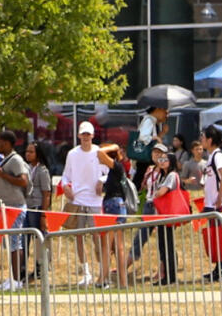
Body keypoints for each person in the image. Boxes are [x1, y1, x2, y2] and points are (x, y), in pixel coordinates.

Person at [61, 122, 108, 286]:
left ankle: (102, 271)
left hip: (95, 200)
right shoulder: (72, 154)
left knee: (97, 237)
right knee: (79, 237)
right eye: (83, 134)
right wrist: (66, 186)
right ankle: (86, 272)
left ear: (93, 135)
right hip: (78, 200)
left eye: (88, 134)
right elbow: (65, 176)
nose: (86, 137)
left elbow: (108, 172)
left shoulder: (99, 153)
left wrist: (101, 181)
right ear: (79, 136)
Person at [0, 130, 31, 291]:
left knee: (15, 243)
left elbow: (23, 181)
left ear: (6, 143)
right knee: (10, 244)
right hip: (5, 207)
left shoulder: (15, 160)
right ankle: (12, 277)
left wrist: (2, 175)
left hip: (15, 206)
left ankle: (16, 280)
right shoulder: (4, 160)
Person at [134, 150, 181, 286]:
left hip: (168, 214)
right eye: (160, 160)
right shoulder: (162, 176)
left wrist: (155, 194)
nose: (162, 162)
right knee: (163, 246)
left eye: (165, 160)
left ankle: (170, 276)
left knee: (168, 246)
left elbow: (161, 192)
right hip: (160, 214)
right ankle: (166, 275)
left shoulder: (171, 175)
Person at [197, 127, 222, 283]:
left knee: (218, 237)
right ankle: (218, 269)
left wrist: (219, 196)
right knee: (214, 238)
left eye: (203, 137)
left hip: (217, 203)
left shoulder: (218, 156)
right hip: (210, 203)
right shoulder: (211, 156)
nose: (201, 140)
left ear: (210, 140)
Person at [97, 144, 133, 289]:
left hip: (114, 206)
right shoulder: (117, 171)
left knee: (108, 245)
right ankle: (122, 283)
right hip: (118, 206)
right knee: (118, 247)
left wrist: (114, 147)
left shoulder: (117, 167)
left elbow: (99, 153)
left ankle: (102, 279)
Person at [21, 140, 54, 284]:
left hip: (37, 208)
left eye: (31, 152)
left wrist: (43, 215)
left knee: (39, 240)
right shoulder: (27, 168)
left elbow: (46, 193)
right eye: (26, 151)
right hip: (27, 208)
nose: (27, 154)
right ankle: (22, 270)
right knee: (24, 239)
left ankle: (40, 269)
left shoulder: (42, 171)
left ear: (38, 154)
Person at [134, 104, 167, 182]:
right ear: (157, 109)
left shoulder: (152, 121)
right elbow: (142, 136)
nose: (165, 114)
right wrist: (155, 138)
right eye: (164, 111)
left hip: (146, 157)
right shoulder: (149, 121)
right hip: (144, 157)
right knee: (140, 178)